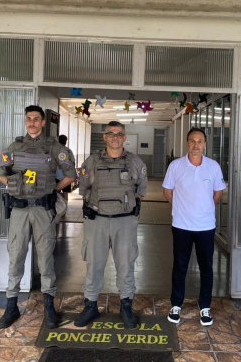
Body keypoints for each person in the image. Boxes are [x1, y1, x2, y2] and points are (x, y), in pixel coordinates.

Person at [0, 105, 76, 330]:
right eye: (29, 118)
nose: (32, 122)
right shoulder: (14, 147)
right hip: (19, 210)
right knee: (16, 256)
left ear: (42, 122)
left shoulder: (54, 147)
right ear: (25, 121)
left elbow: (71, 175)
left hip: (43, 210)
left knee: (46, 259)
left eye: (36, 119)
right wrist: (15, 186)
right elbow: (0, 173)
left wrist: (52, 190)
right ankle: (11, 305)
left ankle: (49, 306)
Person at [75, 121, 147, 328]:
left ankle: (126, 306)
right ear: (105, 137)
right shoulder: (92, 161)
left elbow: (141, 190)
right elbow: (83, 188)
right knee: (94, 264)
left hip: (124, 222)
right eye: (111, 134)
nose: (115, 137)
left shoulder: (135, 162)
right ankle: (90, 306)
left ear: (124, 138)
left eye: (119, 134)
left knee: (126, 265)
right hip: (97, 221)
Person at [162, 127, 225, 326]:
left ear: (204, 144)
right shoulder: (176, 166)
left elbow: (218, 193)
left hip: (206, 227)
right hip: (181, 225)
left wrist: (204, 209)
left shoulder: (213, 166)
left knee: (206, 267)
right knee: (179, 267)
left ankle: (205, 306)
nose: (196, 145)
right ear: (187, 143)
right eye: (192, 141)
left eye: (199, 141)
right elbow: (167, 191)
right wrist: (182, 209)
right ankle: (176, 305)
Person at [56, 134, 76, 204]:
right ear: (65, 141)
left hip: (56, 175)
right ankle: (65, 207)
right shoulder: (68, 151)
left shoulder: (55, 150)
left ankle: (57, 207)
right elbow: (73, 163)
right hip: (67, 176)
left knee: (56, 193)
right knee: (65, 194)